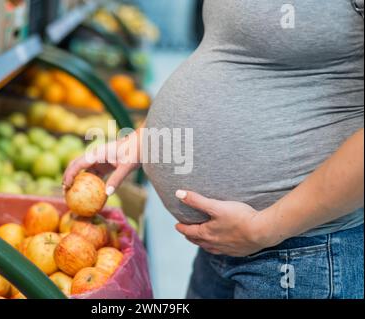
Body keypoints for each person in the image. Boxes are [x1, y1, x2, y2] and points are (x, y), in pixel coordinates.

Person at [64, 1, 364, 299]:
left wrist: (265, 228)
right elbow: (232, 54)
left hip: (303, 253)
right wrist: (148, 139)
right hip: (221, 243)